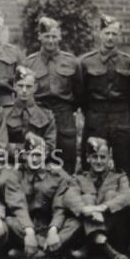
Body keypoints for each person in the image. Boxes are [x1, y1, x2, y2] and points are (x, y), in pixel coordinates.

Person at [2, 133, 79, 259]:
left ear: (46, 155)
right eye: (30, 154)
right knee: (8, 221)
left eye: (38, 155)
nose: (35, 159)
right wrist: (29, 231)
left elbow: (59, 206)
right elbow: (18, 206)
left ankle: (33, 251)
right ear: (25, 155)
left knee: (74, 223)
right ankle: (51, 250)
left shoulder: (56, 174)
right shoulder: (15, 175)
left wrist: (53, 230)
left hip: (50, 224)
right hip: (24, 225)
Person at [80, 14, 130, 180]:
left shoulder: (128, 62)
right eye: (107, 33)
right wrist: (91, 113)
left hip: (121, 118)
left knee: (126, 163)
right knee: (92, 162)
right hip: (95, 117)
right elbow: (81, 95)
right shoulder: (86, 62)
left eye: (114, 33)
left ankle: (126, 199)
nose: (110, 37)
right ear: (100, 34)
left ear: (119, 36)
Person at [22, 16, 82, 173]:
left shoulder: (72, 62)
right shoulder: (29, 63)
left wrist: (68, 110)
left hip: (64, 115)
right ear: (39, 37)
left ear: (60, 36)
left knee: (66, 158)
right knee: (38, 156)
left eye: (54, 36)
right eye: (47, 36)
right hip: (39, 115)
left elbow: (79, 92)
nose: (50, 41)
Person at [63, 137, 130, 259]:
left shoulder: (119, 177)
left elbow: (129, 196)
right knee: (86, 199)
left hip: (115, 236)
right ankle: (103, 245)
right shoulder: (79, 178)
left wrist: (103, 207)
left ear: (109, 157)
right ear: (88, 158)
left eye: (103, 157)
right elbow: (69, 196)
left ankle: (90, 246)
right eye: (94, 157)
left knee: (111, 195)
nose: (99, 161)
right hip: (88, 233)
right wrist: (86, 209)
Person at [2, 66, 57, 163]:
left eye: (28, 86)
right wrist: (23, 153)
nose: (24, 90)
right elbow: (1, 144)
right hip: (10, 164)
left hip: (39, 163)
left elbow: (50, 145)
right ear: (14, 86)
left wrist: (38, 153)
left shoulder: (46, 114)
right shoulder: (3, 113)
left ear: (35, 87)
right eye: (20, 85)